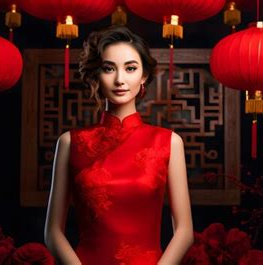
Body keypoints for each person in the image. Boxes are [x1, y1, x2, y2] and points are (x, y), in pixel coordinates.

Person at [44, 26, 193, 265]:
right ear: (96, 74)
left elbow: (185, 231)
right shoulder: (70, 142)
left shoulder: (168, 142)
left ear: (143, 75)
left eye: (131, 68)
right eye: (108, 68)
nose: (120, 79)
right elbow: (52, 232)